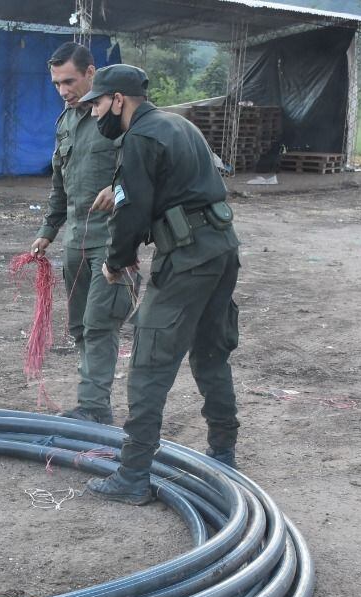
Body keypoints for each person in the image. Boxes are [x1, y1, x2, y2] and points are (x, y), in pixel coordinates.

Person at [80, 65, 242, 505]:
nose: (95, 113)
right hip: (221, 247)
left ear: (119, 100)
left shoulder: (140, 137)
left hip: (187, 257)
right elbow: (169, 181)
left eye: (97, 103)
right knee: (211, 352)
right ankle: (223, 451)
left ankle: (132, 475)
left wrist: (117, 262)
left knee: (150, 359)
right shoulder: (177, 124)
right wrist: (118, 188)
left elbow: (134, 213)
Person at [31, 42, 129, 426]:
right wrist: (47, 230)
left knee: (101, 322)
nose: (63, 90)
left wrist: (119, 192)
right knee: (80, 325)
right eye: (56, 83)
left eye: (69, 81)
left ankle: (93, 406)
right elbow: (60, 184)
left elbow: (145, 176)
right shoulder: (66, 122)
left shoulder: (119, 117)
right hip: (76, 239)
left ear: (91, 73)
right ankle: (92, 403)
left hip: (112, 238)